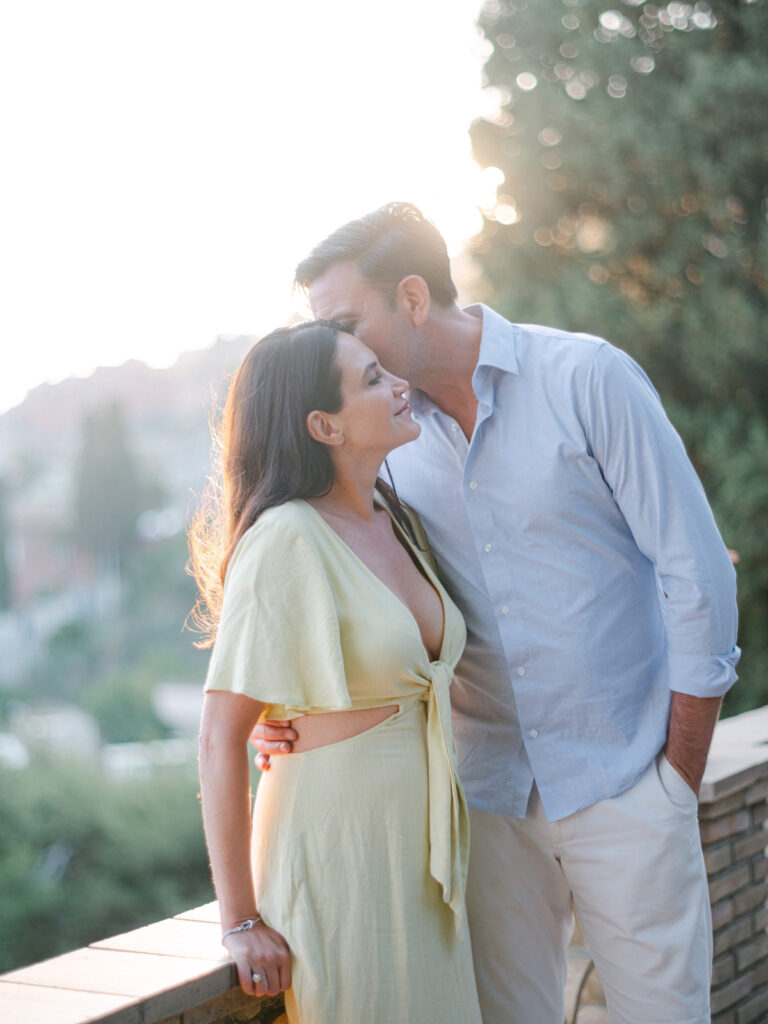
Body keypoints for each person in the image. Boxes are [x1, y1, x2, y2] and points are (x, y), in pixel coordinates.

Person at [251, 203, 740, 1023]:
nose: (331, 349)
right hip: (487, 806)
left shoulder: (588, 378)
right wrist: (281, 712)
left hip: (627, 784)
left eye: (343, 322)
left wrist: (672, 782)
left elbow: (696, 576)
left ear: (411, 297)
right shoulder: (386, 442)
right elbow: (334, 577)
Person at [191, 321, 482, 1023]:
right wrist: (240, 921)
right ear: (324, 424)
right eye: (373, 378)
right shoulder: (285, 538)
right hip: (340, 853)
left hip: (424, 856)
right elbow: (218, 738)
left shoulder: (397, 516)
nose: (399, 384)